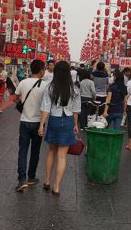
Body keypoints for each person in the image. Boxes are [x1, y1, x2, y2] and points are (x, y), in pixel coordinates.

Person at [38, 61, 81, 196]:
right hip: (67, 120)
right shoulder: (74, 89)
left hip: (54, 121)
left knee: (51, 152)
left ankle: (47, 181)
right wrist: (75, 125)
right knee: (62, 156)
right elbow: (76, 110)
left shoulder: (50, 87)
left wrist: (41, 125)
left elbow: (45, 108)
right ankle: (56, 187)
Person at [13, 59, 47, 192]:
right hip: (39, 122)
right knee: (35, 151)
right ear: (41, 71)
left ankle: (22, 179)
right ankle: (31, 177)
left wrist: (21, 101)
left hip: (24, 121)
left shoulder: (23, 82)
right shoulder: (45, 85)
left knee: (23, 150)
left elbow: (14, 98)